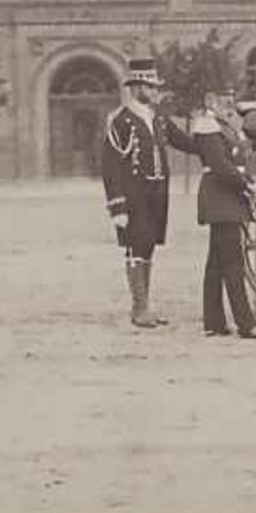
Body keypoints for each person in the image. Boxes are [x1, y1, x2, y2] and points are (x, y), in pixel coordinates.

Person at [100, 57, 196, 329]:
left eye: (156, 88)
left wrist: (211, 143)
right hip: (134, 195)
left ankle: (145, 308)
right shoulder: (120, 120)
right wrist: (117, 206)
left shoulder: (159, 118)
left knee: (149, 245)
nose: (156, 93)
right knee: (135, 246)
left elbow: (185, 143)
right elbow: (110, 165)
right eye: (151, 87)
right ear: (137, 87)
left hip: (157, 192)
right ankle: (139, 309)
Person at [190, 88, 256, 340]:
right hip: (220, 198)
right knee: (233, 262)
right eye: (223, 100)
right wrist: (247, 186)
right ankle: (246, 324)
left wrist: (251, 182)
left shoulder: (224, 125)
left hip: (227, 198)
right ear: (209, 100)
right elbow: (221, 167)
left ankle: (213, 323)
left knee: (216, 262)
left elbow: (237, 164)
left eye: (231, 100)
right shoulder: (207, 126)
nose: (229, 104)